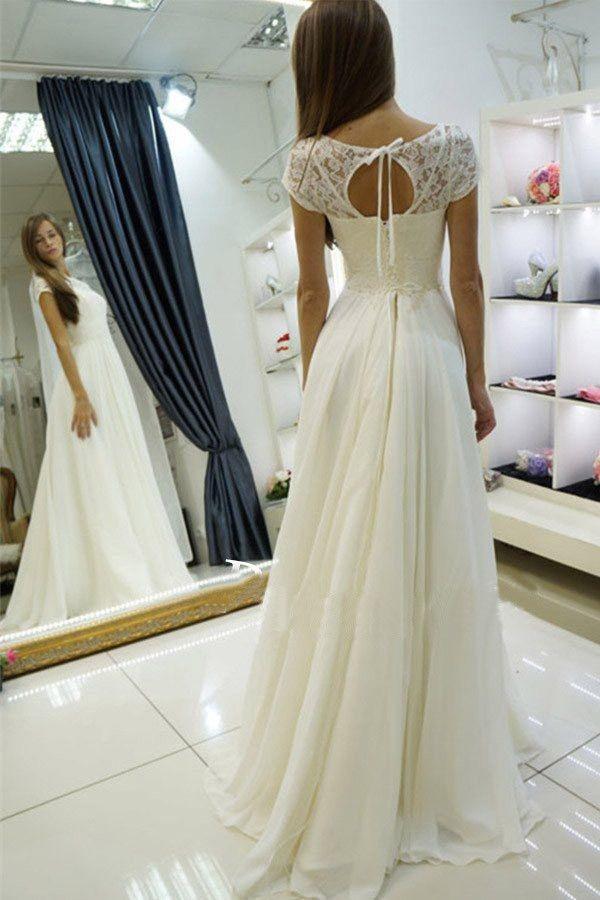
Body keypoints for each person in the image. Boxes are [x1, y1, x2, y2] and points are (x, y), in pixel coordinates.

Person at [202, 2, 546, 897]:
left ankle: (349, 730)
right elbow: (465, 280)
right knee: (433, 532)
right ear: (382, 51)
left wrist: (316, 389)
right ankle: (436, 748)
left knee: (346, 539)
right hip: (426, 347)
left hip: (352, 347)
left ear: (318, 62)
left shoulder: (309, 161)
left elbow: (311, 295)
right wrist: (478, 384)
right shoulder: (451, 149)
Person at [0, 213, 194, 633]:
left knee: (121, 465)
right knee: (95, 473)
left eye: (52, 234)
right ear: (32, 249)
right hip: (85, 379)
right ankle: (107, 575)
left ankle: (141, 560)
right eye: (41, 240)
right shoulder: (43, 286)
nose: (50, 242)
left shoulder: (72, 280)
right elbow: (61, 343)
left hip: (108, 373)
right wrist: (81, 396)